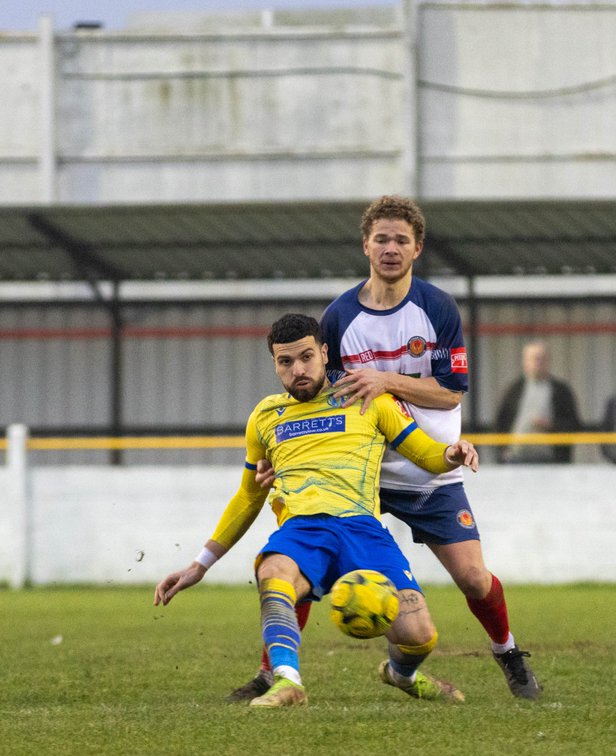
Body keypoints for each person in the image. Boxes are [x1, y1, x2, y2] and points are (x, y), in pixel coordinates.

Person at [235, 195, 542, 702]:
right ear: (366, 245)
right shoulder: (339, 316)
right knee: (299, 558)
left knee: (472, 577)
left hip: (430, 468)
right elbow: (321, 398)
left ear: (418, 248)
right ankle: (273, 674)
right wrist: (283, 458)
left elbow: (451, 392)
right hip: (360, 475)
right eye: (382, 239)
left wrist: (385, 380)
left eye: (402, 239)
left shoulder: (437, 308)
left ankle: (508, 653)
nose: (391, 248)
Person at [154, 313, 479, 707]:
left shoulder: (368, 398)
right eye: (286, 362)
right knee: (272, 572)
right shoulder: (265, 416)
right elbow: (248, 496)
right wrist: (200, 564)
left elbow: (425, 454)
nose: (298, 370)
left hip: (362, 529)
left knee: (420, 636)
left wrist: (452, 453)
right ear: (275, 364)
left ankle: (401, 673)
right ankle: (287, 681)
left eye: (306, 357)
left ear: (325, 353)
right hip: (303, 531)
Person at [493, 340, 582, 464]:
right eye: (534, 359)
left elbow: (574, 425)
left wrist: (551, 425)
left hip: (552, 461)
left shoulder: (561, 391)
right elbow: (500, 423)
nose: (538, 363)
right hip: (515, 459)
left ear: (548, 361)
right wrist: (502, 451)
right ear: (525, 362)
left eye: (542, 359)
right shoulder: (513, 390)